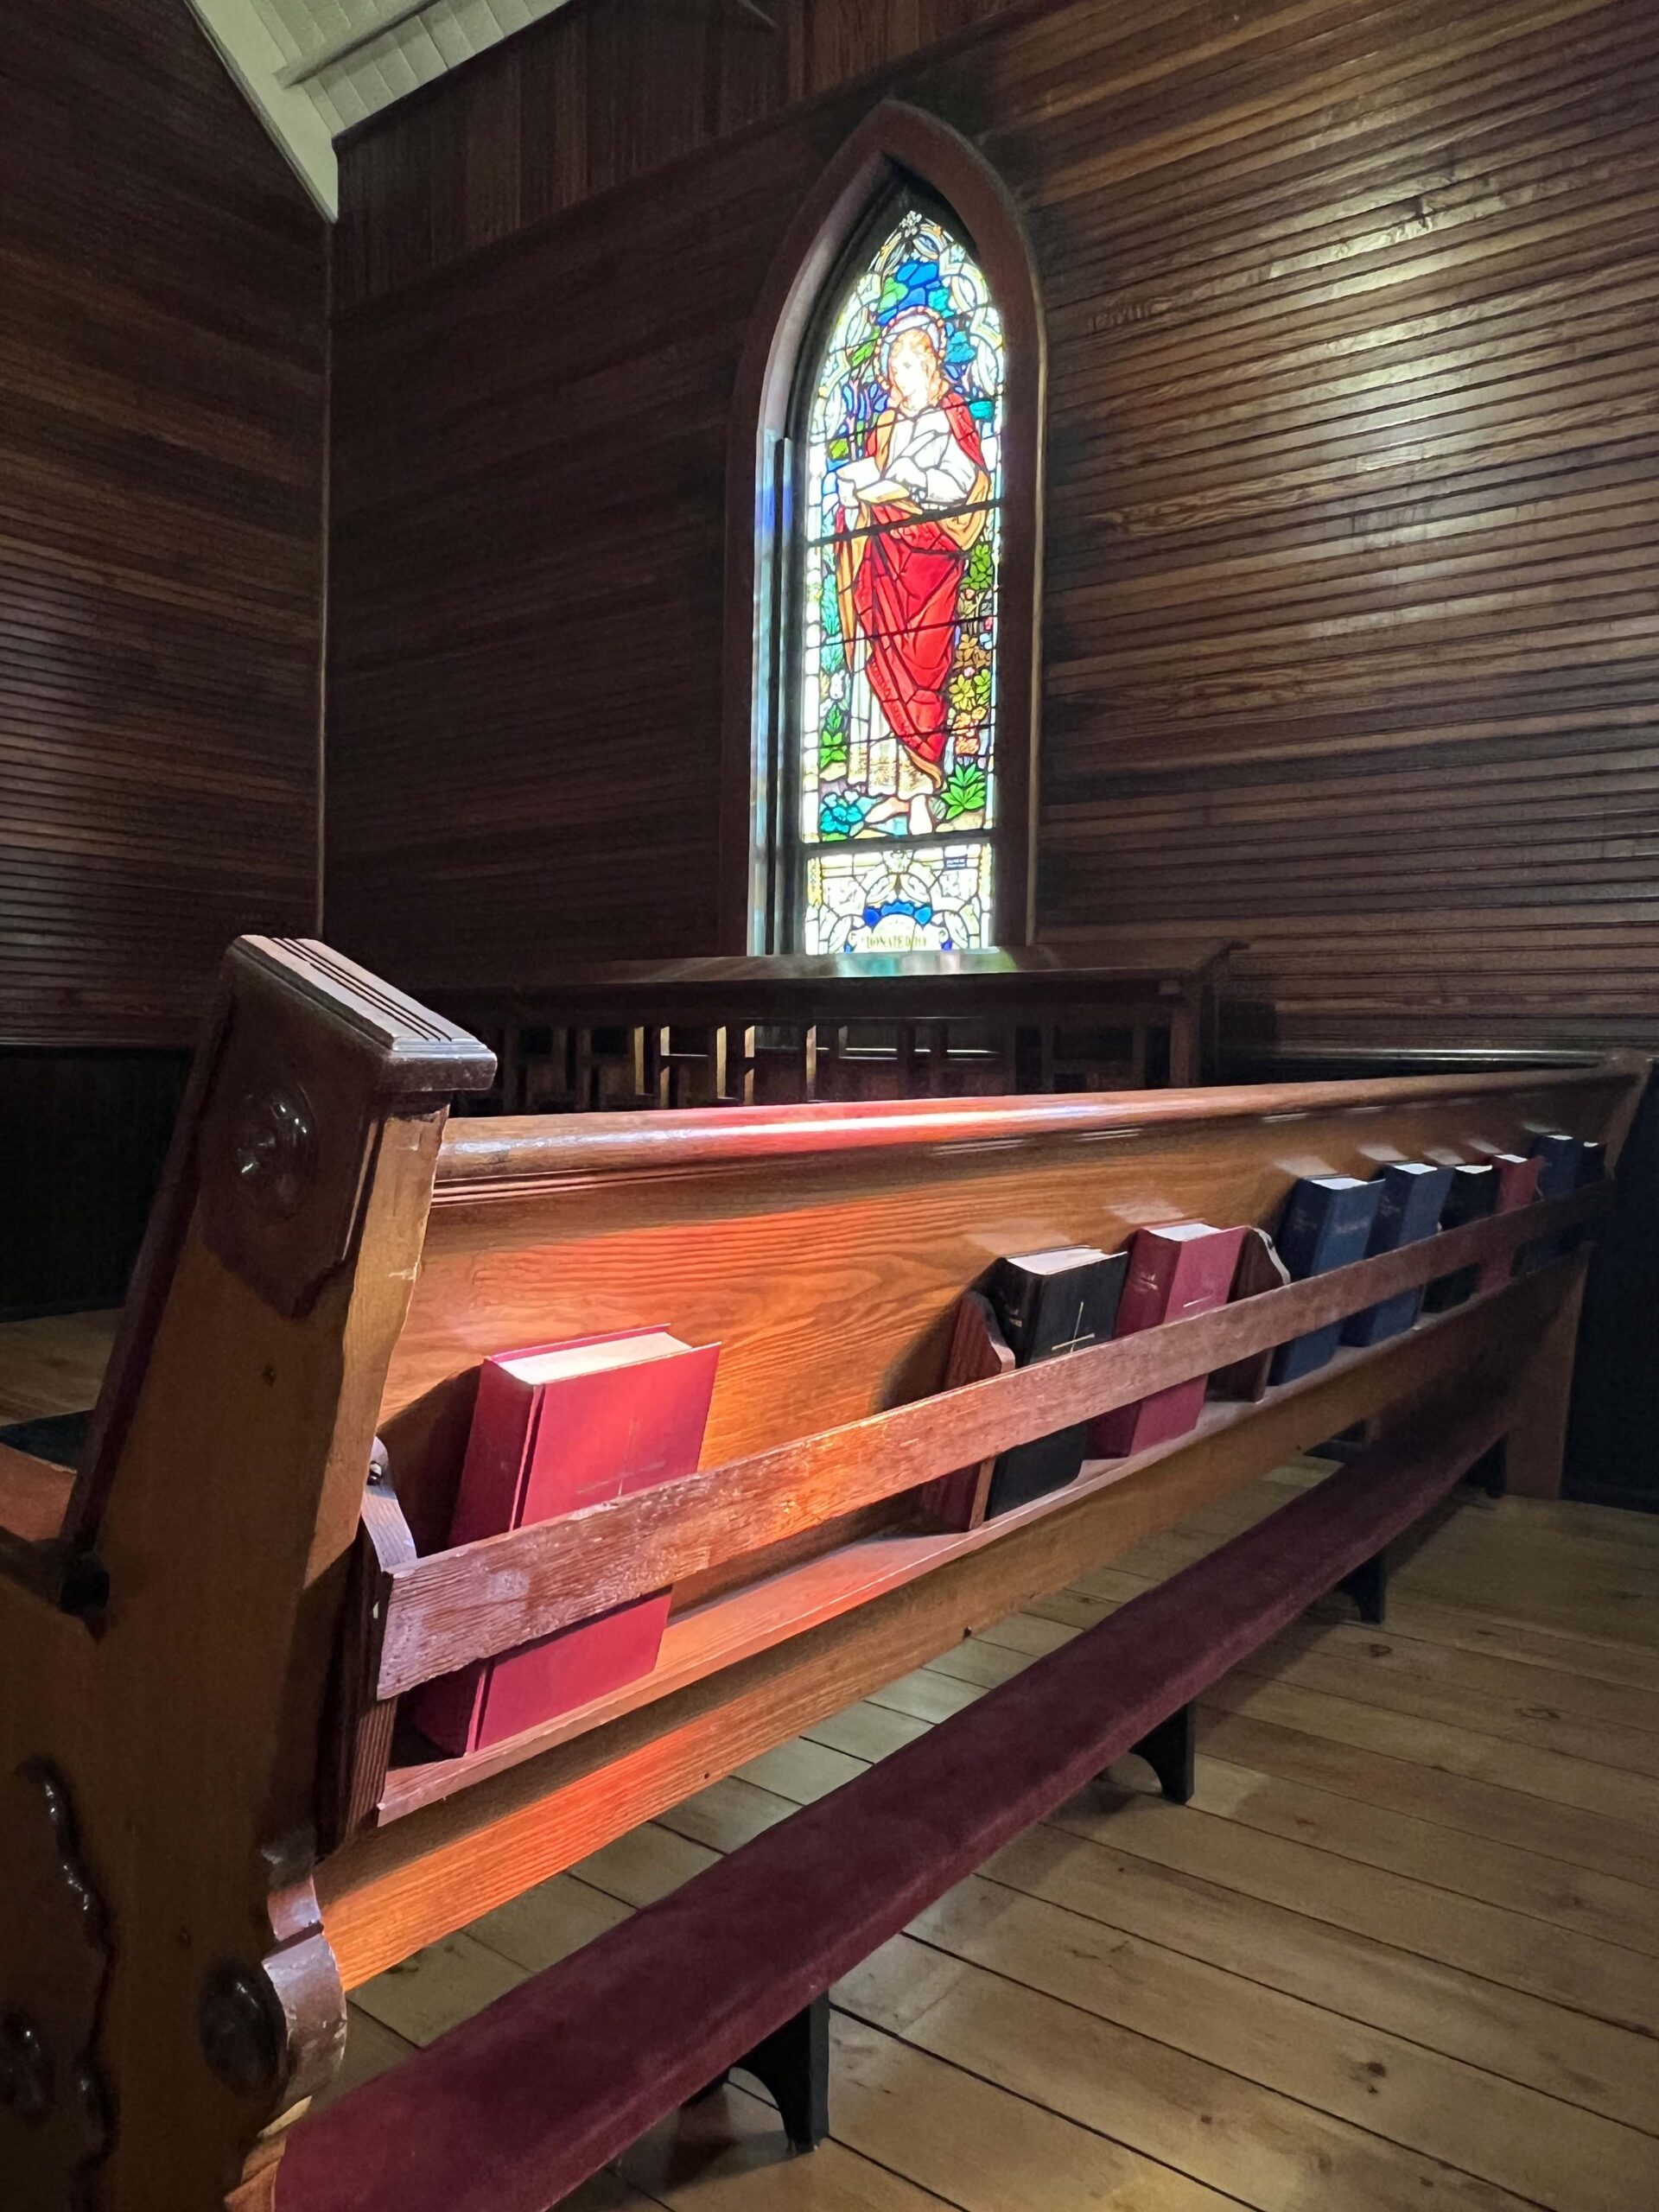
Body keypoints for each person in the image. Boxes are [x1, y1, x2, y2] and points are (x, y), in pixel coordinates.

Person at [835, 308, 990, 836]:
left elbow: (972, 489)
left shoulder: (953, 416)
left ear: (931, 369)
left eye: (911, 368)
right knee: (883, 664)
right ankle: (897, 790)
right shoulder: (884, 426)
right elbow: (872, 480)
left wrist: (916, 489)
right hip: (883, 563)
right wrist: (859, 497)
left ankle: (924, 791)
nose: (902, 379)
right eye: (895, 370)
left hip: (931, 564)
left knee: (925, 667)